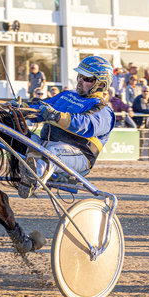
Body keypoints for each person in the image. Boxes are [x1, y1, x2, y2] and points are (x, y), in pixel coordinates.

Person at [17, 56, 115, 199]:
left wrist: (56, 116)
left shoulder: (103, 110)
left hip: (79, 155)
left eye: (86, 79)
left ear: (100, 84)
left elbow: (84, 124)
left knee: (52, 152)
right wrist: (21, 108)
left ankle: (32, 181)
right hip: (47, 145)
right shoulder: (67, 95)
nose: (80, 80)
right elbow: (41, 106)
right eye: (79, 76)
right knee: (19, 135)